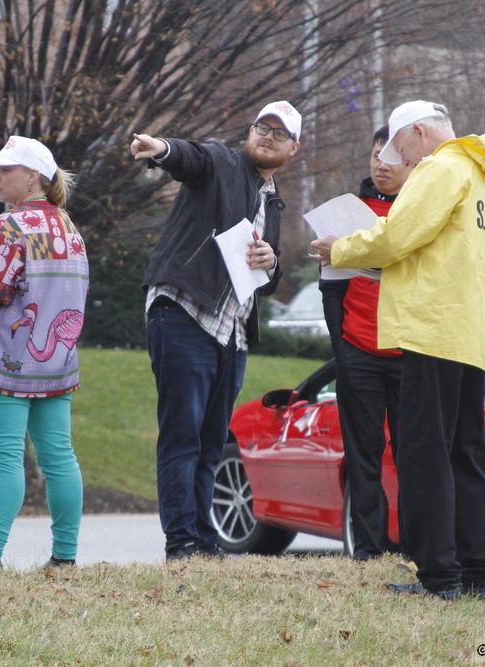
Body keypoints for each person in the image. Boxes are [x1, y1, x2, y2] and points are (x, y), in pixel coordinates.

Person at [310, 101, 485, 600]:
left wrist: (338, 249)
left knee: (424, 454)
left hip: (431, 329)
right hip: (472, 334)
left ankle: (439, 577)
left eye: (401, 147)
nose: (401, 160)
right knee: (466, 455)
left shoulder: (440, 170)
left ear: (419, 132)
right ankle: (478, 575)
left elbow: (397, 236)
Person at [131, 101, 301, 560]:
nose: (267, 136)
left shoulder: (273, 200)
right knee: (182, 434)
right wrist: (162, 148)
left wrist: (273, 264)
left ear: (293, 148)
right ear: (249, 132)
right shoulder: (224, 163)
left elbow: (265, 281)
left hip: (233, 332)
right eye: (261, 127)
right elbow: (192, 156)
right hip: (184, 311)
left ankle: (205, 542)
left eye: (279, 133)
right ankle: (181, 540)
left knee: (211, 441)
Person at [0, 136, 88, 571]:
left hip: (5, 364)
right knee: (60, 459)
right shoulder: (70, 229)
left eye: (5, 169)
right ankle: (65, 556)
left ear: (33, 177)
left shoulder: (8, 226)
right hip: (57, 365)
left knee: (5, 459)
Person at [319, 125, 412, 561]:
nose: (381, 164)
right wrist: (343, 353)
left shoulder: (422, 213)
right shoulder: (349, 212)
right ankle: (368, 548)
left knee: (415, 455)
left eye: (391, 156)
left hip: (411, 353)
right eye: (376, 154)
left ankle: (417, 546)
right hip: (358, 352)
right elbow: (331, 290)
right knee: (363, 456)